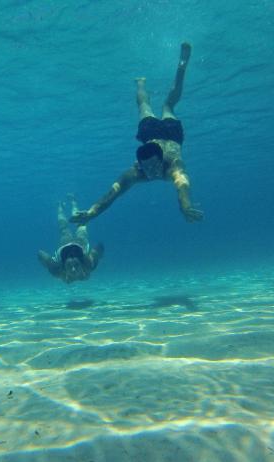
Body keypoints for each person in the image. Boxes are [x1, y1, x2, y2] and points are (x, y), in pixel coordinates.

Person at [71, 42, 203, 224]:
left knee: (157, 105)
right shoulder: (136, 173)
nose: (151, 172)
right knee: (156, 106)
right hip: (169, 135)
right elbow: (112, 194)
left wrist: (185, 207)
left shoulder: (174, 166)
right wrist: (93, 212)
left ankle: (182, 66)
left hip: (159, 134)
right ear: (139, 163)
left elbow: (183, 187)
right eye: (146, 167)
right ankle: (141, 83)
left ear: (161, 160)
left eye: (153, 167)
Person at [39, 197, 104, 284]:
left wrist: (49, 265)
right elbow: (100, 246)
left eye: (76, 265)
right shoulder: (57, 269)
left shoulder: (88, 263)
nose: (73, 269)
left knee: (65, 228)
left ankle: (70, 203)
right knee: (80, 224)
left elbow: (40, 253)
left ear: (81, 263)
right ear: (64, 266)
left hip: (65, 243)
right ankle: (62, 206)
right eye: (69, 266)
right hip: (80, 242)